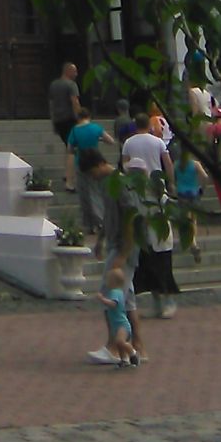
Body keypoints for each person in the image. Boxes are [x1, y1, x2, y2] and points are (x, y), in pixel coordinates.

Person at [79, 150, 145, 365]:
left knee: (112, 294)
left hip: (124, 246)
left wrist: (123, 254)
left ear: (99, 165)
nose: (93, 178)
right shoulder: (109, 184)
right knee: (128, 299)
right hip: (117, 243)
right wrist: (101, 240)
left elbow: (131, 218)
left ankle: (114, 347)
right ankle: (137, 346)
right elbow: (109, 215)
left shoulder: (119, 183)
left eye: (92, 173)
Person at [122, 120, 179, 318]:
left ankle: (164, 300)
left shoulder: (129, 143)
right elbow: (168, 163)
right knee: (154, 256)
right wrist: (171, 183)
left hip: (146, 210)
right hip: (153, 208)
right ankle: (161, 300)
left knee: (155, 254)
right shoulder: (158, 142)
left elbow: (125, 165)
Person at [67, 104, 115, 240]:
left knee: (84, 195)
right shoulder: (96, 128)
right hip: (96, 162)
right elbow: (111, 141)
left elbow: (70, 149)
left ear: (78, 117)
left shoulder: (75, 130)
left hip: (81, 163)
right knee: (96, 192)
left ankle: (89, 223)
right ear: (89, 116)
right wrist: (98, 139)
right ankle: (100, 221)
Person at [88, 255, 138, 369]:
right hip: (117, 324)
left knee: (120, 341)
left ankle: (133, 353)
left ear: (114, 281)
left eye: (108, 279)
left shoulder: (115, 292)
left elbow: (113, 304)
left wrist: (102, 299)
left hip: (122, 325)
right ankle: (124, 359)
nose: (106, 282)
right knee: (118, 344)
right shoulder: (116, 291)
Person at [49, 62, 81, 187]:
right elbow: (75, 102)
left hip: (58, 120)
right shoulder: (71, 85)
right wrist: (80, 119)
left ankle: (66, 173)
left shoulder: (54, 85)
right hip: (70, 119)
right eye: (74, 71)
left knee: (68, 146)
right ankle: (69, 180)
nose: (76, 74)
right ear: (68, 71)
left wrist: (53, 121)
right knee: (73, 149)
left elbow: (51, 104)